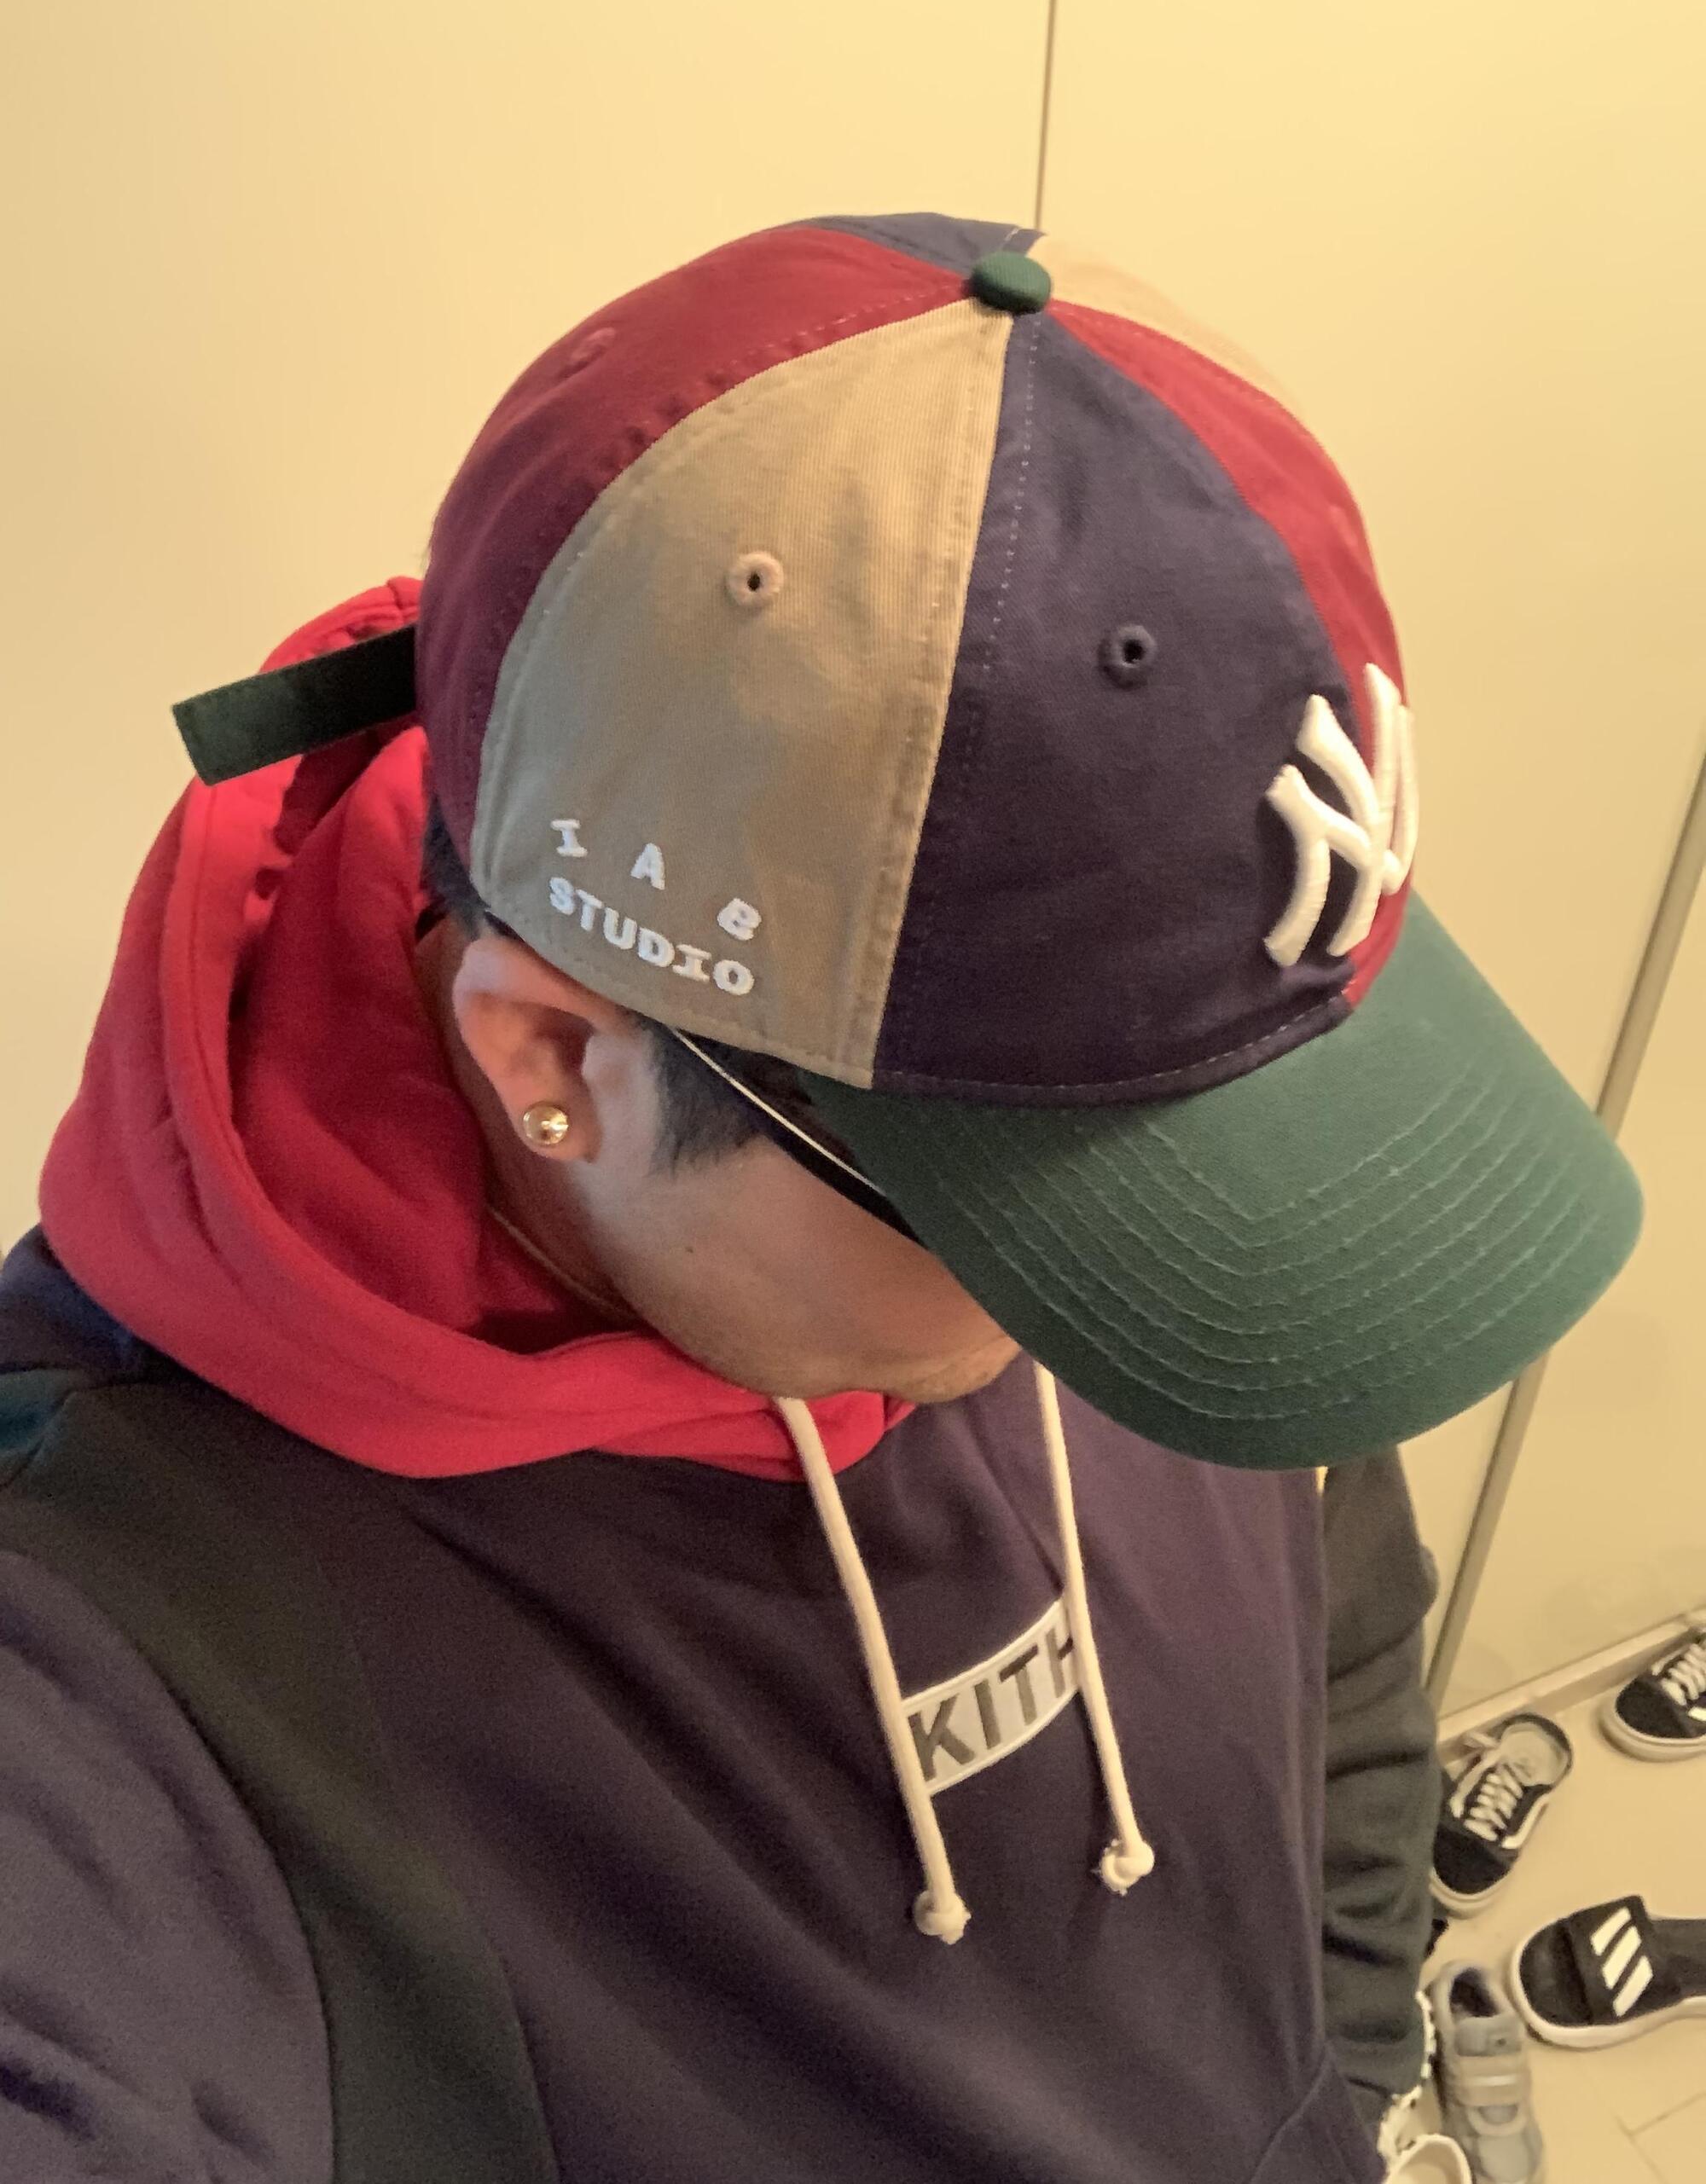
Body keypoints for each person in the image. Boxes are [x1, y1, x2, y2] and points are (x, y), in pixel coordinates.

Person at [0, 213, 1637, 2183]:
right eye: (1056, 1214)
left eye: (1226, 1143)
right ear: (554, 1055)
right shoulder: (113, 1653)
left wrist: (1341, 2078)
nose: (1140, 1302)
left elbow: (1336, 1628)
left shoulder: (1166, 1119)